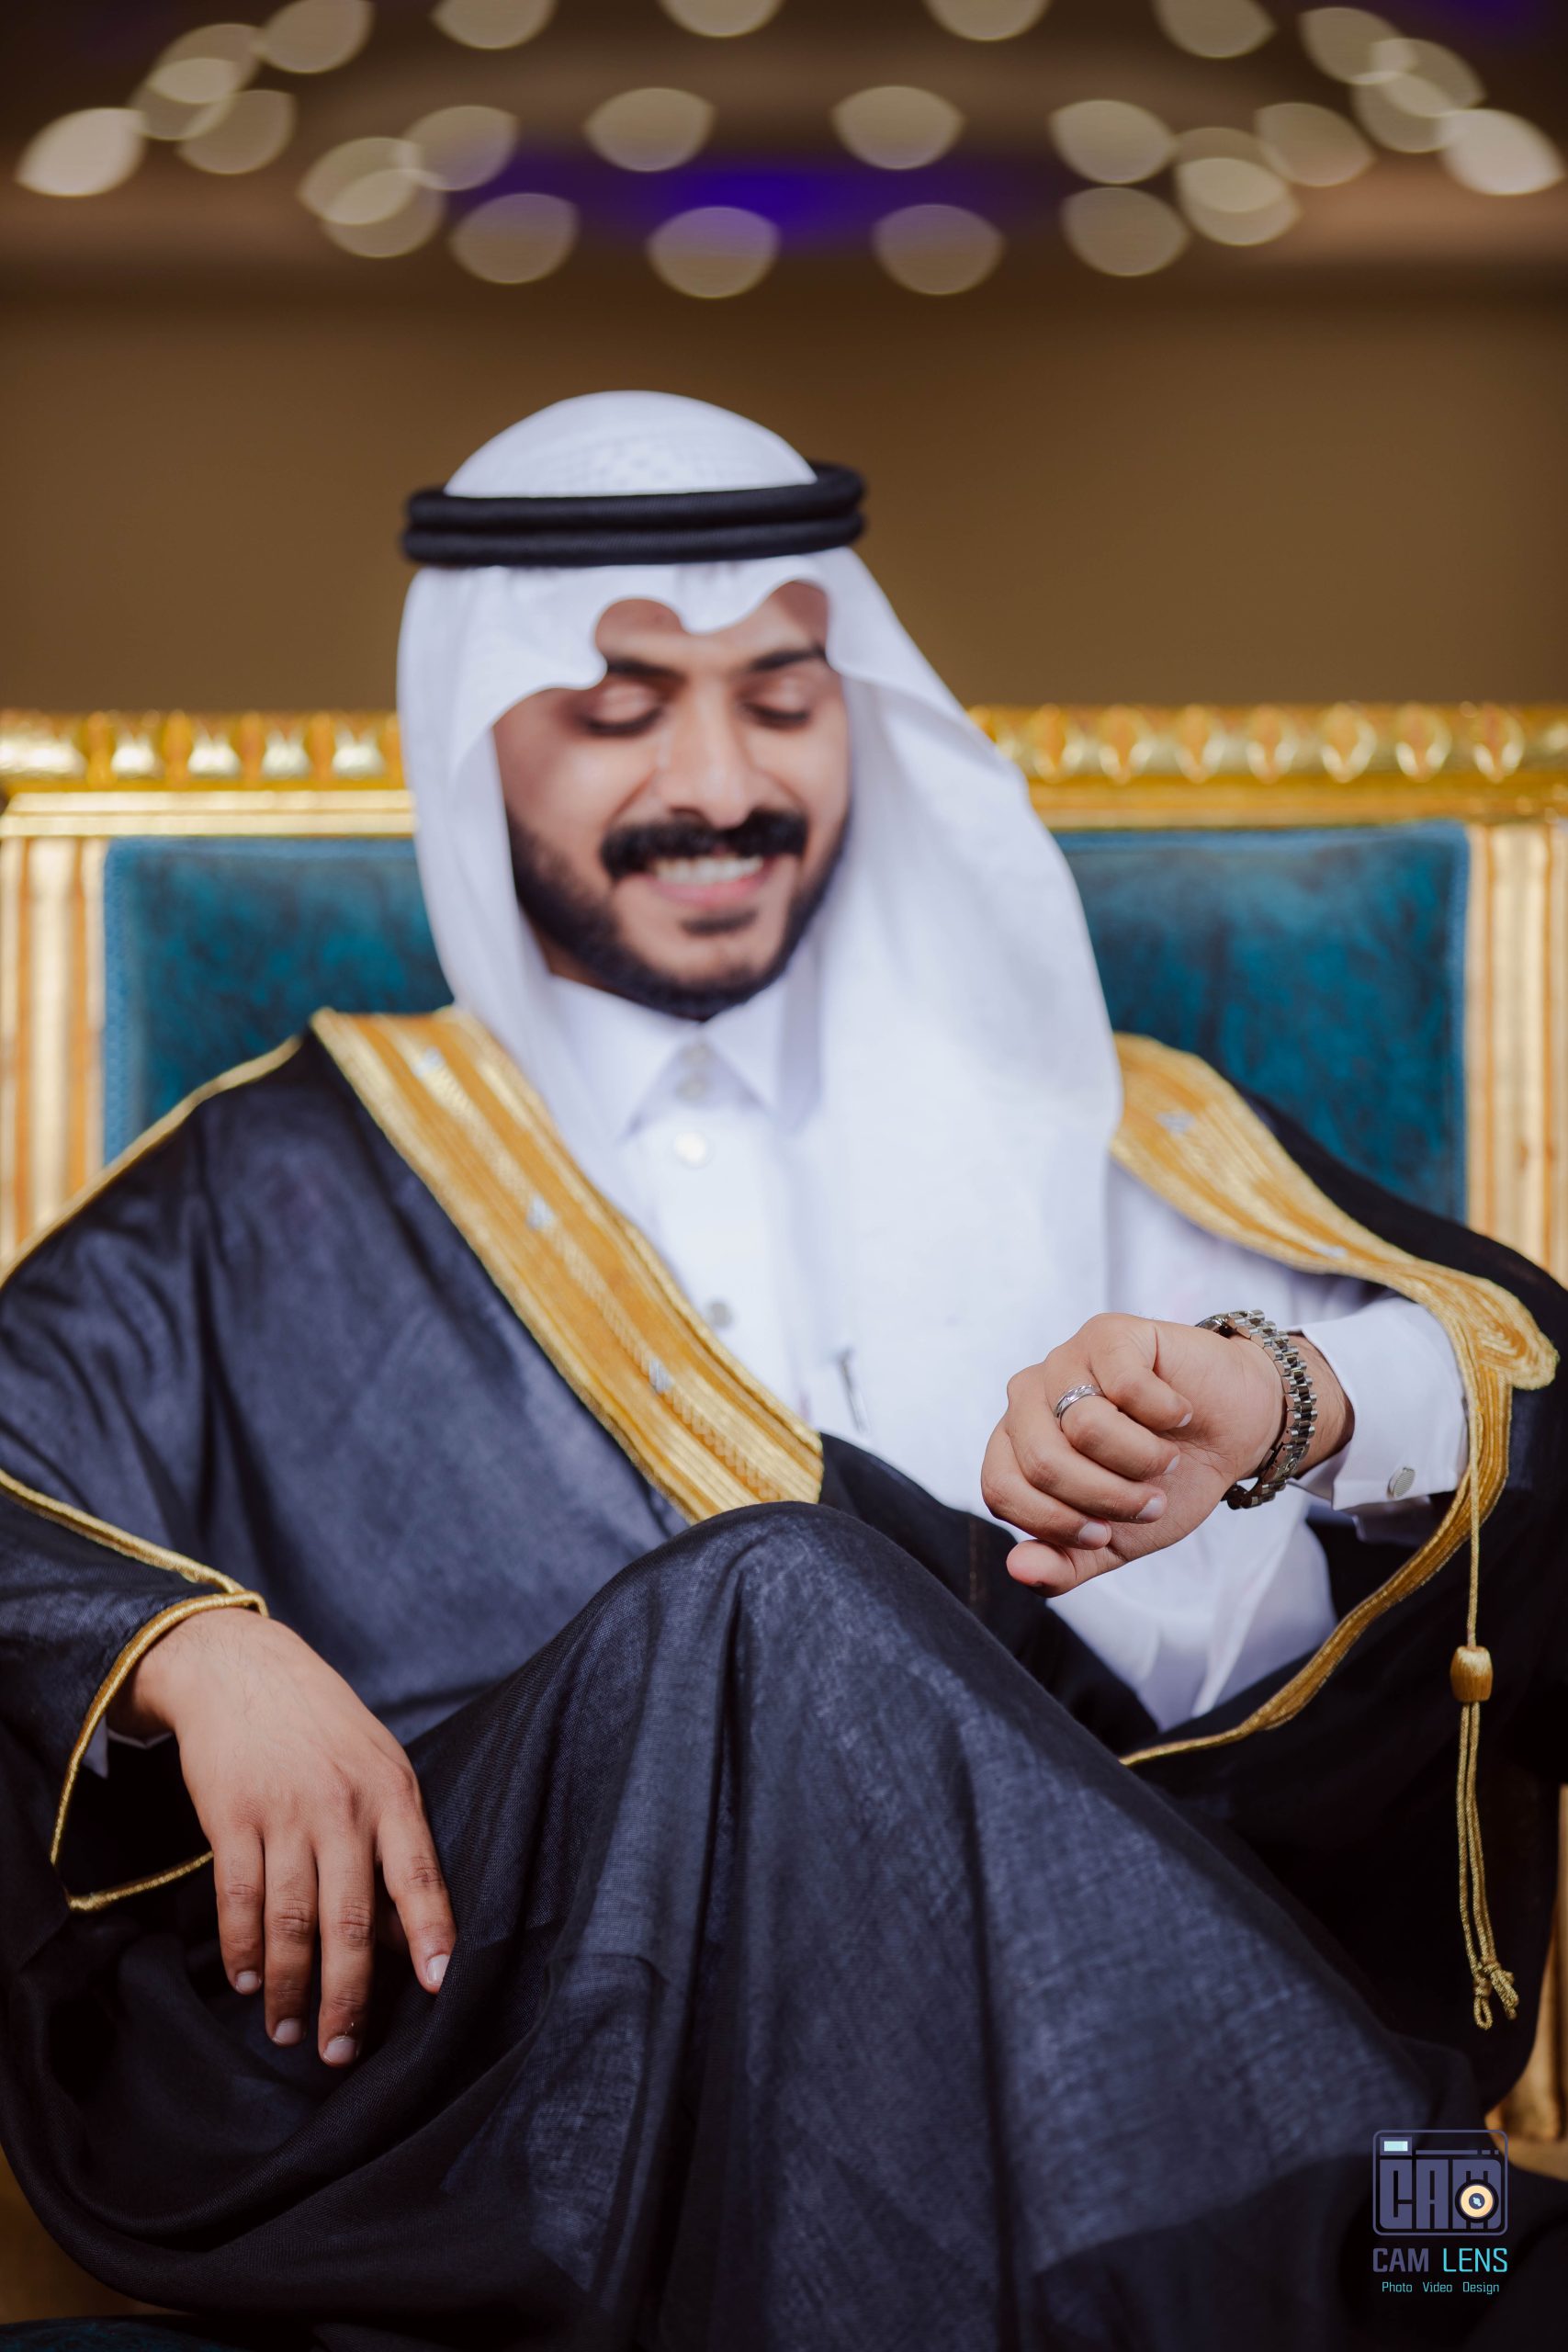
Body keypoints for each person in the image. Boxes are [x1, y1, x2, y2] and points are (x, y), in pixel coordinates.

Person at [0, 392, 1564, 2349]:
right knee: (783, 1589)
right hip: (483, 2059)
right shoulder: (282, 1181)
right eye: (619, 708)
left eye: (784, 696)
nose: (720, 781)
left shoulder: (1098, 1117)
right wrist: (183, 1644)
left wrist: (1283, 1402)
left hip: (1065, 2005)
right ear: (475, 734)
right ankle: (1427, 2274)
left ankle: (1365, 2260)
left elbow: (1519, 1392)